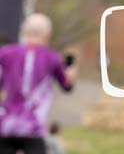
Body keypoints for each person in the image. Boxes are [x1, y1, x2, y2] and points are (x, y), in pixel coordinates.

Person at [0, 14, 77, 154]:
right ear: (48, 34)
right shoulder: (52, 58)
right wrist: (71, 76)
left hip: (5, 125)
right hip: (34, 127)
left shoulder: (5, 53)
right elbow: (66, 86)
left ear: (24, 31)